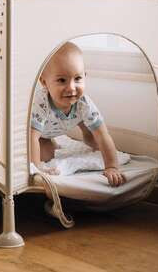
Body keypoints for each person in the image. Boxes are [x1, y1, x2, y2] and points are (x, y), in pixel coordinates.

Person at [30, 42, 127, 187]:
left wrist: (112, 166)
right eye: (61, 80)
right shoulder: (40, 103)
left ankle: (85, 134)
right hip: (34, 134)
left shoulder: (84, 103)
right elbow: (32, 137)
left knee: (95, 138)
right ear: (45, 82)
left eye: (77, 79)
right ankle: (50, 143)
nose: (71, 88)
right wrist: (37, 169)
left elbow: (103, 134)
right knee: (45, 155)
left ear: (85, 76)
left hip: (60, 125)